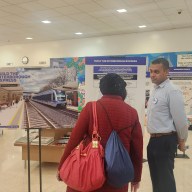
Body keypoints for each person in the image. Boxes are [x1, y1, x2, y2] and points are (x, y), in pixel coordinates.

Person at [57, 73, 143, 192]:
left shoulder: (90, 108)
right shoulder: (132, 113)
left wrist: (61, 166)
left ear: (102, 89)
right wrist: (136, 177)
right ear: (123, 90)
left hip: (89, 173)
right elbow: (137, 150)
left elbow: (74, 139)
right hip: (117, 176)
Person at [147, 58, 189, 192]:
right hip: (153, 140)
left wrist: (182, 140)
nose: (153, 74)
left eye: (156, 72)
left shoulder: (172, 91)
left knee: (165, 181)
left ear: (166, 72)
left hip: (165, 141)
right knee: (156, 180)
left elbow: (181, 120)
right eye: (151, 71)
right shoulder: (155, 89)